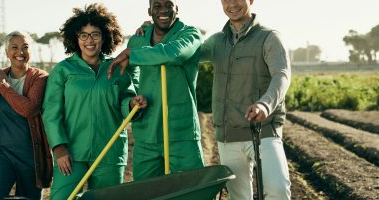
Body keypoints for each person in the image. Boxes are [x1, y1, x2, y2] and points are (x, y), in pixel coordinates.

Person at [41, 3, 147, 200]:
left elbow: (126, 101)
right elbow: (51, 112)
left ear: (105, 37)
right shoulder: (64, 71)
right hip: (72, 154)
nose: (89, 40)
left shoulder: (116, 68)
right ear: (76, 38)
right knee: (62, 197)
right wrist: (59, 148)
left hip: (110, 153)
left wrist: (132, 104)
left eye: (95, 34)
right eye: (84, 35)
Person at [200, 0, 292, 199]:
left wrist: (264, 104)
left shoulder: (269, 37)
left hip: (263, 130)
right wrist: (153, 34)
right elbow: (187, 53)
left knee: (278, 190)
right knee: (239, 197)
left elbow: (282, 75)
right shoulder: (217, 41)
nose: (232, 4)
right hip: (228, 135)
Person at [108, 0, 205, 181]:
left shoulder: (190, 34)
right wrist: (133, 99)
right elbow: (129, 77)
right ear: (149, 11)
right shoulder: (138, 39)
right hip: (146, 135)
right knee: (145, 192)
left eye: (169, 5)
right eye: (157, 6)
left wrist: (133, 53)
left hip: (181, 134)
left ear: (177, 9)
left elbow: (173, 53)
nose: (163, 10)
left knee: (192, 190)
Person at [0, 31, 53, 199]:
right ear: (6, 52)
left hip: (31, 155)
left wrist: (3, 85)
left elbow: (28, 109)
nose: (20, 52)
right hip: (0, 152)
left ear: (31, 51)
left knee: (29, 198)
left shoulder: (39, 78)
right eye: (14, 47)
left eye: (25, 47)